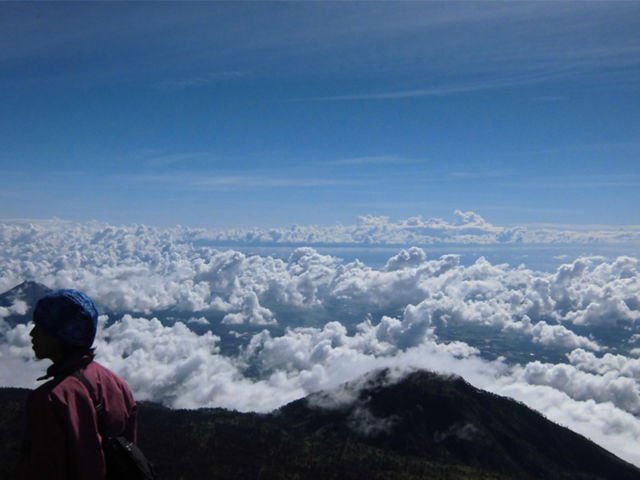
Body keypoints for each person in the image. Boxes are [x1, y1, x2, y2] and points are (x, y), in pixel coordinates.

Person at [17, 289, 137, 480]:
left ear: (61, 335)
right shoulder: (119, 386)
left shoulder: (50, 399)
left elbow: (44, 469)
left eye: (40, 327)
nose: (32, 334)